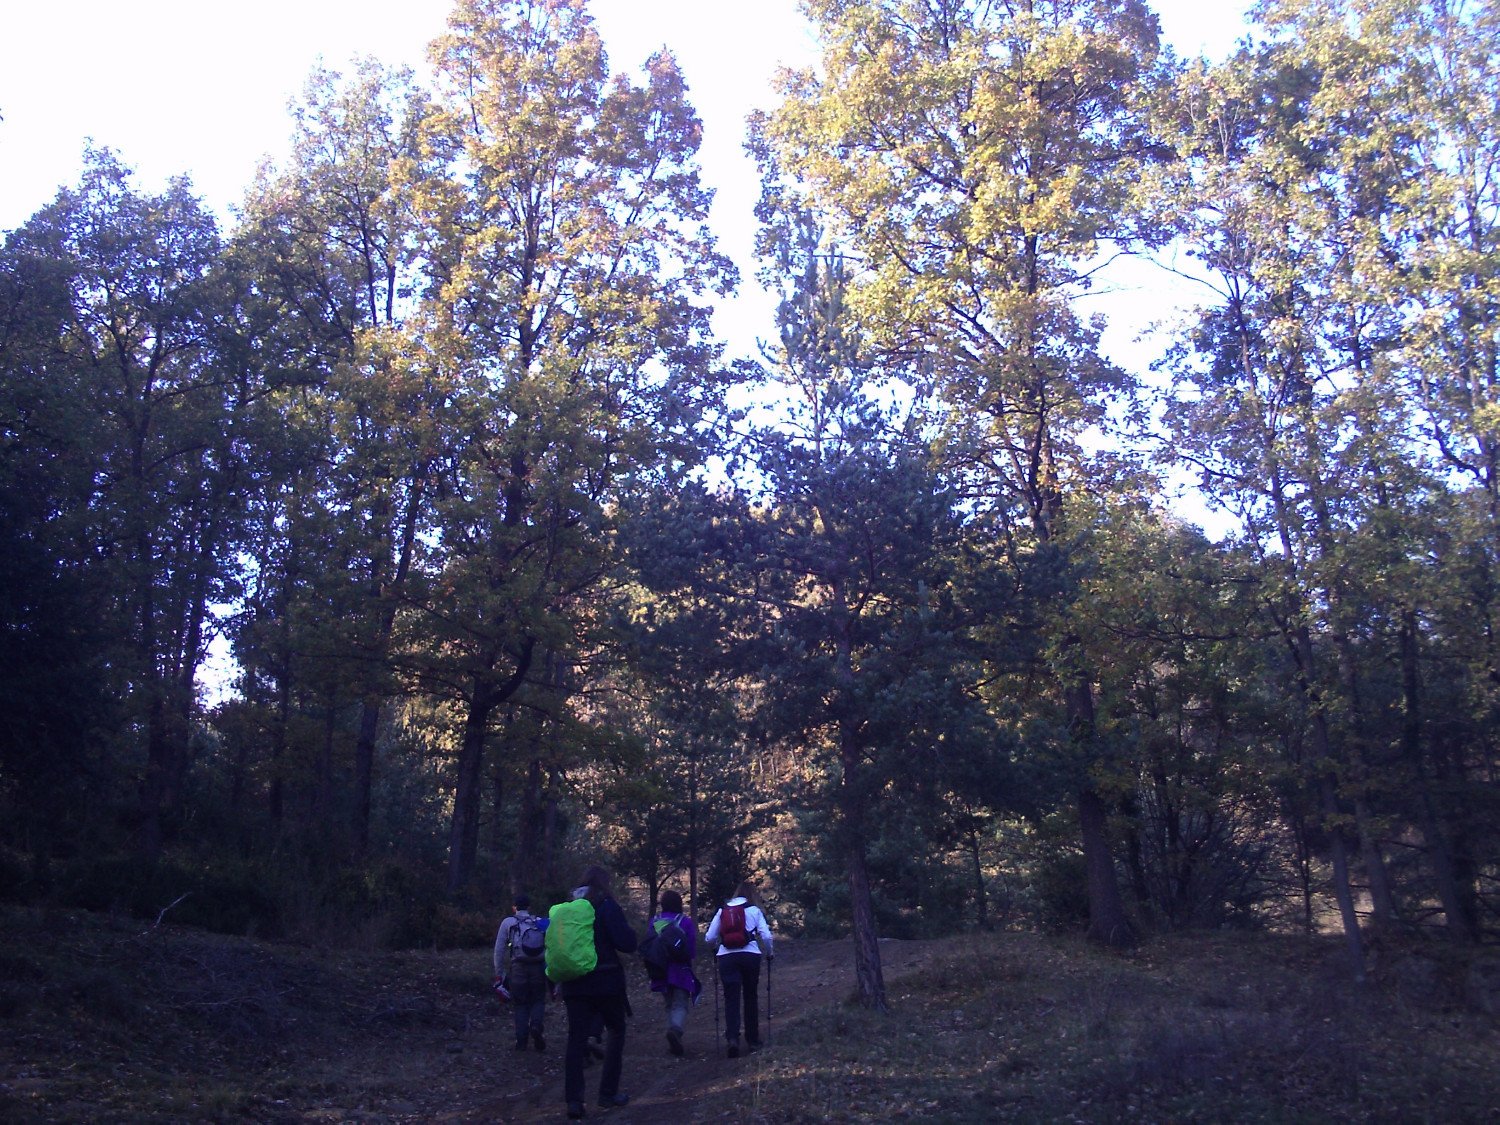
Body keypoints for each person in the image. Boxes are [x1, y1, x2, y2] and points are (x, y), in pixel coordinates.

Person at [560, 865, 638, 1119]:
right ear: (605, 883)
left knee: (576, 1038)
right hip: (606, 981)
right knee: (616, 1030)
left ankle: (574, 1100)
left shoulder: (569, 907)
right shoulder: (606, 905)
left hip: (574, 982)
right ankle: (607, 1093)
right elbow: (626, 943)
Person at [704, 881, 774, 1057]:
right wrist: (770, 953)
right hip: (750, 955)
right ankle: (752, 1040)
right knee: (750, 996)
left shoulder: (723, 910)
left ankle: (732, 1039)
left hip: (726, 957)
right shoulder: (754, 911)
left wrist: (715, 948)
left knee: (731, 998)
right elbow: (766, 935)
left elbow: (709, 937)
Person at [646, 889, 701, 1057]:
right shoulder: (685, 922)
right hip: (680, 969)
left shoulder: (654, 922)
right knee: (680, 1003)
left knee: (669, 1004)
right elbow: (690, 949)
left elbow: (648, 946)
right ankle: (675, 1031)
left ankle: (672, 1038)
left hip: (659, 969)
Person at [493, 894, 547, 1051]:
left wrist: (499, 973)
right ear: (529, 907)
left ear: (514, 907)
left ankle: (521, 1041)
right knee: (538, 1000)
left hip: (518, 968)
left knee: (520, 1004)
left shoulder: (508, 922)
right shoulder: (539, 922)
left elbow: (499, 950)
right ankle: (536, 1026)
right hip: (538, 967)